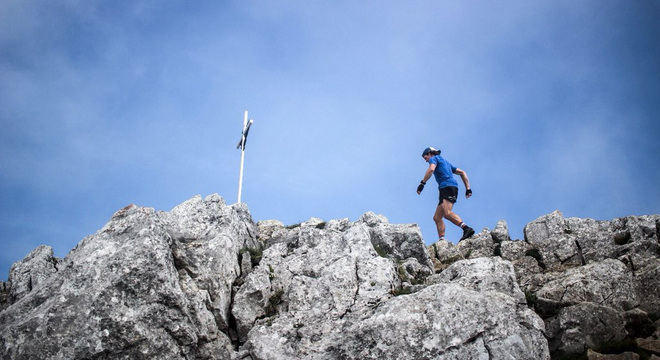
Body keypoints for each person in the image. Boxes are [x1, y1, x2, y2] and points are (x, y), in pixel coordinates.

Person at [416, 147, 475, 242]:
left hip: (447, 187)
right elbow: (462, 172)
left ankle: (466, 228)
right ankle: (442, 240)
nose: (426, 160)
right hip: (448, 187)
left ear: (430, 153)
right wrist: (468, 188)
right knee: (437, 217)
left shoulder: (434, 158)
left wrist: (422, 183)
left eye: (425, 157)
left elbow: (431, 169)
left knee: (447, 213)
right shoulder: (446, 163)